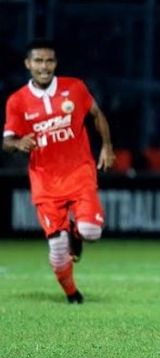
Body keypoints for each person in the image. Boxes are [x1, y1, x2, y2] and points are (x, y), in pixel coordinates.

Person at [2, 39, 115, 304]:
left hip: (79, 172)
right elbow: (6, 141)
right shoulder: (17, 101)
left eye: (49, 61)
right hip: (45, 182)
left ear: (55, 63)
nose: (45, 66)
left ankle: (76, 233)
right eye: (38, 61)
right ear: (28, 64)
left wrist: (107, 146)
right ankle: (73, 295)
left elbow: (96, 114)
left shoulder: (74, 87)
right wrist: (18, 144)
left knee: (91, 232)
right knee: (57, 248)